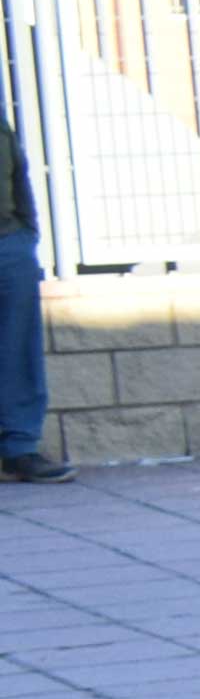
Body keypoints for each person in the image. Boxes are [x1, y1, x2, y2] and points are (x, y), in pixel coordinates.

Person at [0, 93, 55, 484]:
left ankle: (19, 450)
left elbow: (17, 167)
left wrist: (27, 230)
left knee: (18, 349)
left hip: (9, 241)